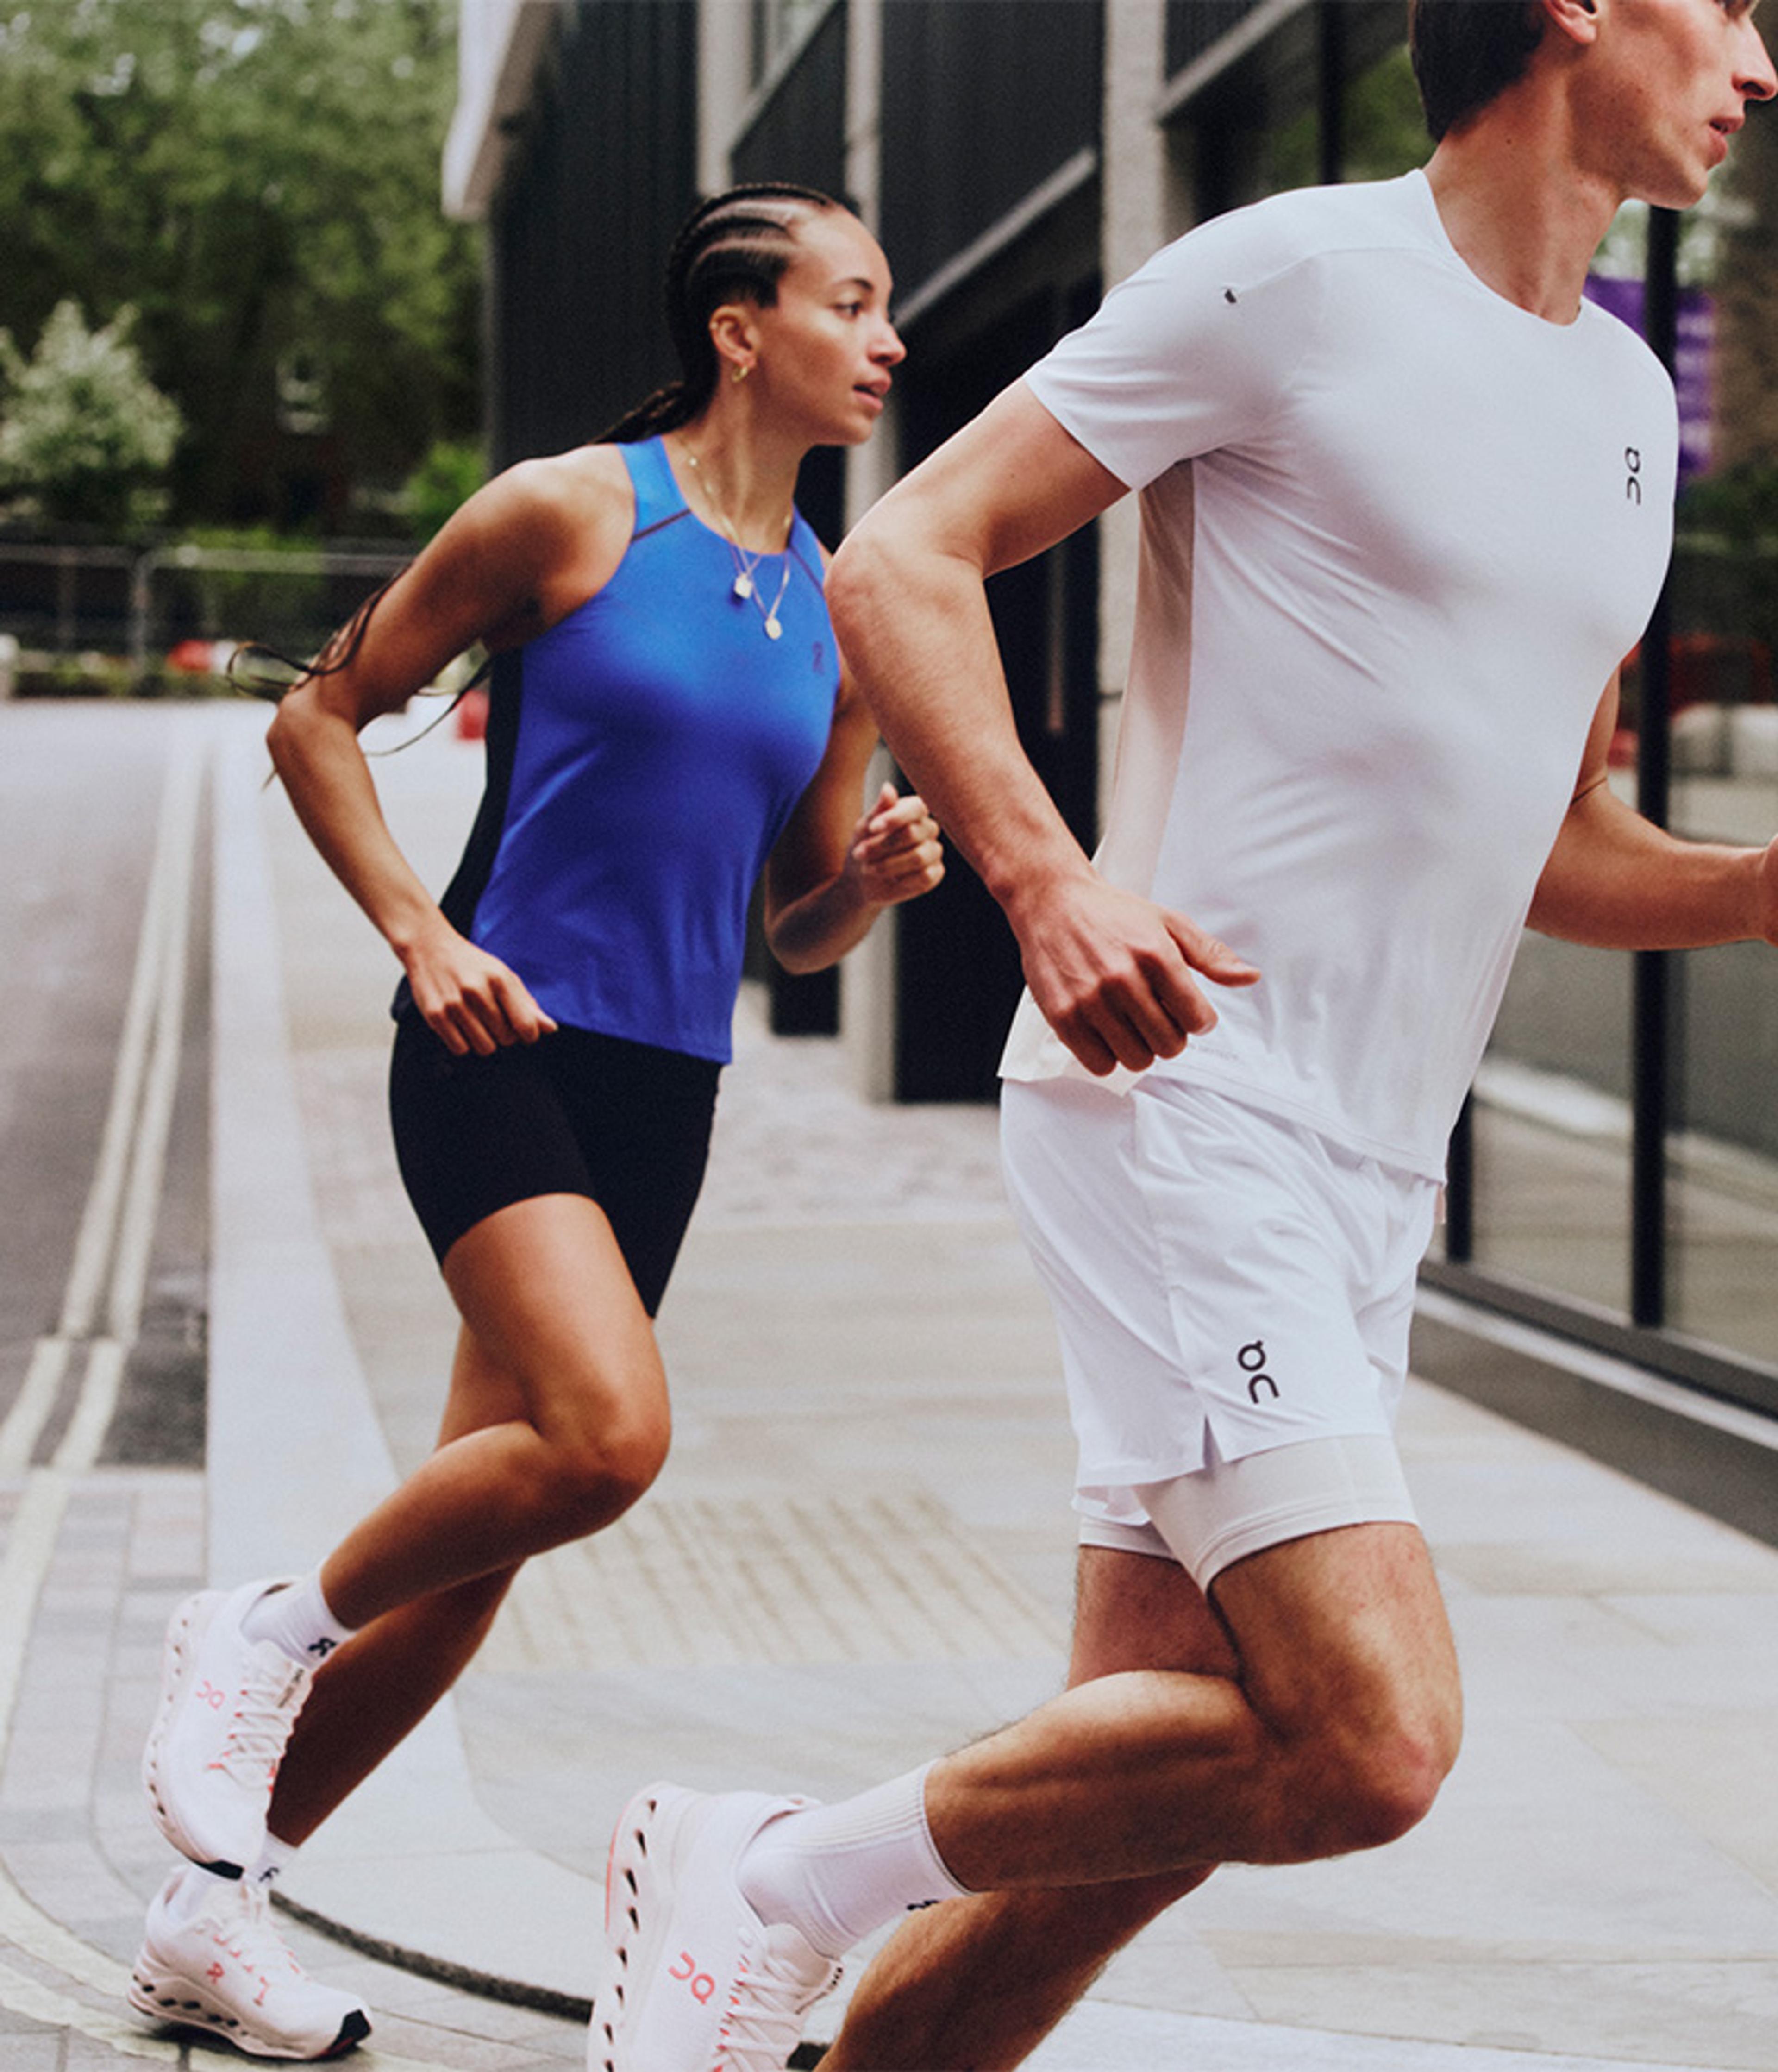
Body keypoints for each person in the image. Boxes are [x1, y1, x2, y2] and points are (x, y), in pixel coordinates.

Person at [587, 5, 1778, 2069]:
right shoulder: (1295, 277)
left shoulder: (1617, 402)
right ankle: (762, 1875)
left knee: (1132, 1819)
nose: (1761, 61)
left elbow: (1557, 842)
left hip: (1367, 1174)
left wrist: (1759, 884)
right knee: (1374, 1736)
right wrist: (1049, 883)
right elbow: (908, 551)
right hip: (1184, 1101)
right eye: (1736, 5)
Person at [128, 182, 939, 2063]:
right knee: (610, 1435)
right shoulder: (572, 510)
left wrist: (873, 885)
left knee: (477, 1562)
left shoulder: (836, 606)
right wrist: (421, 938)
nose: (887, 339)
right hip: (501, 1042)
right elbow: (318, 722)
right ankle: (253, 1633)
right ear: (742, 329)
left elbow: (790, 919)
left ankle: (203, 1917)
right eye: (853, 301)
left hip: (670, 1092)